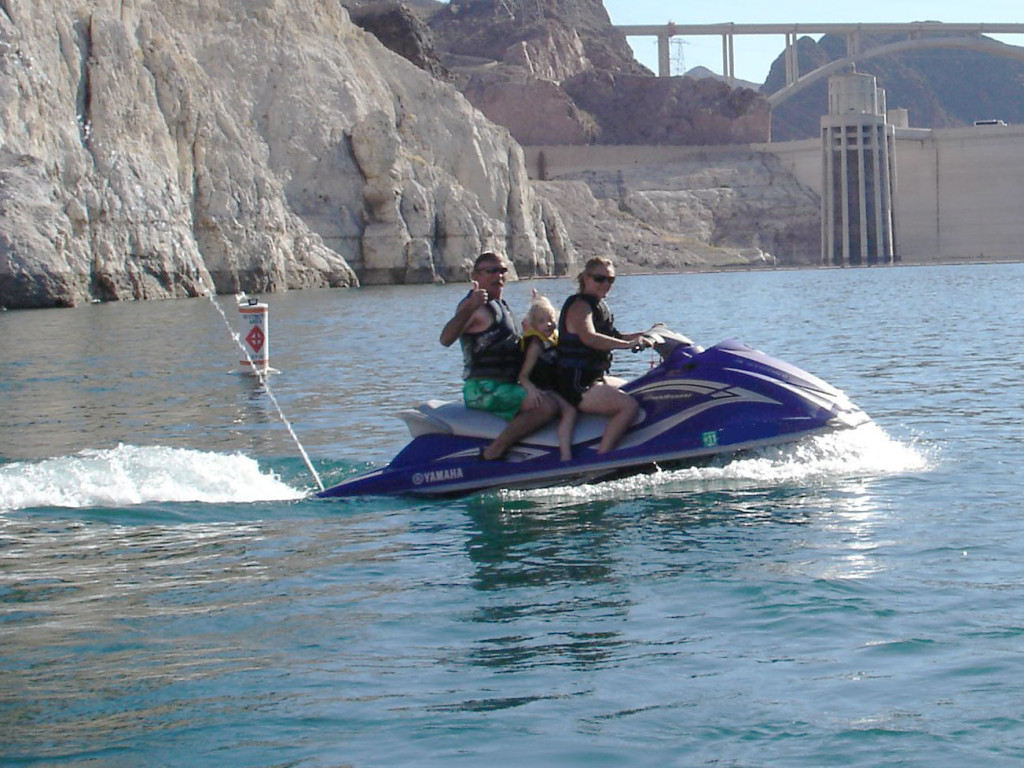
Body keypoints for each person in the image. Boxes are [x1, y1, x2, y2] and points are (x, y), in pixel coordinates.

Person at [440, 252, 558, 460]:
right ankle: (496, 450)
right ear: (475, 276)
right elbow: (446, 338)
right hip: (484, 388)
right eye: (491, 271)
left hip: (506, 385)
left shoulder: (501, 306)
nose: (498, 276)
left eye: (502, 270)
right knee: (546, 406)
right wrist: (469, 308)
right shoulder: (473, 307)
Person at [555, 256, 653, 454]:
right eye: (600, 279)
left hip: (594, 378)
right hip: (576, 384)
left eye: (611, 280)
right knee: (629, 407)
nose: (606, 284)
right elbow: (589, 337)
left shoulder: (599, 305)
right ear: (586, 278)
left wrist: (649, 333)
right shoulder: (579, 306)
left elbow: (614, 336)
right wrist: (627, 345)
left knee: (640, 389)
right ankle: (603, 458)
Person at [518, 291, 577, 461]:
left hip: (555, 386)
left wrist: (535, 300)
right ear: (534, 325)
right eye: (542, 321)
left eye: (551, 319)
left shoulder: (551, 339)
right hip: (544, 390)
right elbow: (523, 375)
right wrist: (531, 389)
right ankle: (565, 455)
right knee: (570, 411)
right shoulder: (536, 345)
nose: (549, 324)